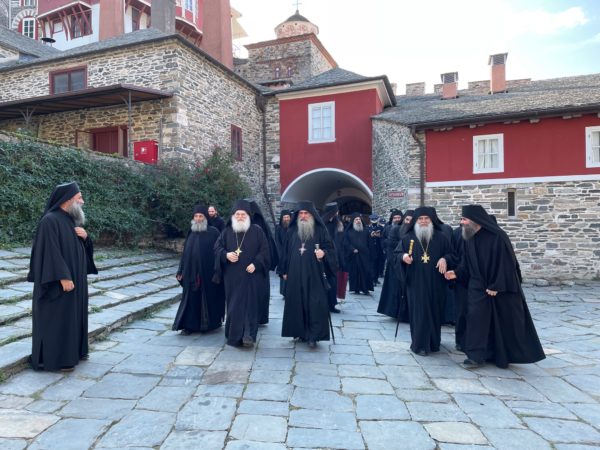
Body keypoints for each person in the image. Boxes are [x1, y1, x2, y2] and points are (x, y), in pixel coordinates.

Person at [445, 205, 545, 368]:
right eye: (461, 219)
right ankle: (476, 356)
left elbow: (507, 264)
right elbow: (466, 263)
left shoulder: (497, 236)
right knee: (476, 319)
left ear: (475, 220)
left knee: (498, 322)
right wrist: (456, 273)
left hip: (496, 289)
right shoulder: (469, 237)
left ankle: (496, 354)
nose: (461, 222)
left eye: (464, 219)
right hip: (476, 287)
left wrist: (496, 285)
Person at [27, 182, 98, 372]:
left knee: (72, 317)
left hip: (76, 280)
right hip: (59, 282)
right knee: (58, 319)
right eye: (79, 198)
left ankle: (74, 352)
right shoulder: (49, 221)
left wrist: (86, 238)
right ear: (67, 200)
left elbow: (76, 248)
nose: (82, 202)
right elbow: (48, 251)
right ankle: (57, 359)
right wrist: (63, 277)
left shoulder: (70, 220)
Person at [280, 201, 338, 348]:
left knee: (315, 303)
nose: (303, 216)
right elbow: (285, 252)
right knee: (296, 302)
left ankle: (313, 335)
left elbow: (331, 250)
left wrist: (323, 253)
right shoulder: (292, 230)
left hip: (314, 274)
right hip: (294, 273)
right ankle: (299, 332)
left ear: (312, 215)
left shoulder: (321, 230)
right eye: (301, 213)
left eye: (306, 213)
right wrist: (283, 270)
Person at [396, 207, 453, 356]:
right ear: (415, 221)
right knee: (419, 313)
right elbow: (396, 254)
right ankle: (419, 345)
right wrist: (403, 257)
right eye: (420, 219)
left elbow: (452, 254)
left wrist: (445, 259)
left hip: (436, 283)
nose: (423, 221)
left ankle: (433, 343)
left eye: (426, 218)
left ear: (432, 220)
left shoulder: (441, 237)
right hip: (416, 283)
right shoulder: (408, 238)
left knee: (434, 312)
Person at [214, 200, 270, 347]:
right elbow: (217, 248)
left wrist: (256, 264)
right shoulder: (227, 231)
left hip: (251, 275)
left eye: (243, 214)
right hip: (232, 277)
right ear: (233, 216)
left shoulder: (257, 231)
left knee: (250, 305)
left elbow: (264, 251)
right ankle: (233, 335)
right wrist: (226, 255)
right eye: (237, 214)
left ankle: (248, 336)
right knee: (234, 305)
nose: (240, 217)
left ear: (248, 216)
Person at [173, 205, 224, 334]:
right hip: (191, 273)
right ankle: (189, 326)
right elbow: (185, 253)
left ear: (205, 217)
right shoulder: (191, 232)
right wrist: (180, 270)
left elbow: (219, 251)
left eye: (201, 216)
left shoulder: (214, 232)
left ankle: (208, 325)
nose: (198, 218)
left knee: (208, 298)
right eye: (196, 216)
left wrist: (218, 271)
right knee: (191, 299)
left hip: (208, 272)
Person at [247, 199, 279, 325]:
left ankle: (260, 317)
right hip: (245, 266)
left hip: (260, 266)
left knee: (259, 293)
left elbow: (268, 247)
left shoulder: (260, 225)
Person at [377, 209, 404, 318]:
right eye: (395, 218)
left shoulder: (404, 228)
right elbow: (383, 239)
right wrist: (385, 247)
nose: (397, 219)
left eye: (399, 217)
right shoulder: (387, 228)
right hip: (391, 258)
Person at [321, 202, 344, 313]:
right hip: (325, 257)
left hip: (335, 258)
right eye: (336, 211)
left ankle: (332, 304)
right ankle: (323, 304)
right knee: (324, 281)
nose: (338, 213)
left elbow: (340, 241)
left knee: (333, 282)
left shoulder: (338, 224)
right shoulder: (322, 225)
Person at [344, 213, 374, 295]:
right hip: (354, 255)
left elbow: (370, 243)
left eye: (359, 219)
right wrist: (352, 249)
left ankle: (365, 289)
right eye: (356, 219)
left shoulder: (366, 230)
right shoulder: (349, 231)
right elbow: (346, 242)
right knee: (355, 272)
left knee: (365, 271)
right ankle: (355, 288)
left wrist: (370, 253)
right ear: (353, 221)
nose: (358, 221)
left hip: (364, 255)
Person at [275, 209, 292, 298]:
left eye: (287, 217)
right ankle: (284, 293)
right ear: (282, 218)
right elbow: (277, 242)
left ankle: (290, 292)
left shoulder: (293, 228)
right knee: (284, 273)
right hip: (282, 254)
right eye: (284, 217)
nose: (286, 219)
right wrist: (281, 253)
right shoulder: (278, 228)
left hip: (291, 254)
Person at [368, 214, 385, 285]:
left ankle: (376, 278)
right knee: (372, 264)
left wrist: (379, 236)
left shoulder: (381, 228)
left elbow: (384, 236)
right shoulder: (368, 228)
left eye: (375, 219)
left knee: (378, 264)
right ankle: (372, 279)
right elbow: (366, 237)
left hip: (379, 248)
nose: (374, 221)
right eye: (373, 219)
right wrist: (370, 235)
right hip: (371, 249)